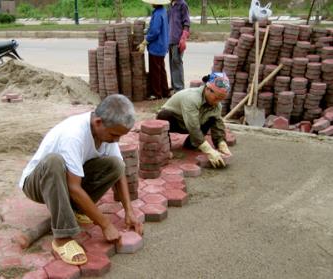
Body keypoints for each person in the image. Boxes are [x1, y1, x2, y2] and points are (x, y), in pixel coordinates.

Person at [18, 94, 143, 266]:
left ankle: (75, 210)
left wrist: (129, 211)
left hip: (65, 181)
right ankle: (62, 237)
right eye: (114, 135)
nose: (117, 140)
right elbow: (74, 188)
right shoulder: (74, 135)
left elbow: (119, 172)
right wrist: (105, 224)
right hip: (38, 184)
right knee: (54, 161)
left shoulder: (105, 130)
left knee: (115, 165)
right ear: (98, 122)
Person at [156, 72, 232, 168]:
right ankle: (165, 147)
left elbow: (217, 124)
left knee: (212, 119)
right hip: (175, 121)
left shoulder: (217, 104)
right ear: (208, 89)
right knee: (163, 115)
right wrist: (209, 150)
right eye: (216, 97)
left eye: (221, 99)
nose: (218, 102)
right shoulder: (192, 98)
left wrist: (221, 143)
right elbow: (193, 127)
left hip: (192, 124)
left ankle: (191, 143)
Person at [137, 0, 170, 99]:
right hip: (163, 45)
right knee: (161, 69)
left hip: (156, 46)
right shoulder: (163, 11)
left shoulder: (157, 14)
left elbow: (155, 31)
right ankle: (165, 91)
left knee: (155, 71)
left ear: (156, 3)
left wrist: (145, 41)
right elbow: (156, 28)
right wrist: (147, 30)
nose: (151, 4)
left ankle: (156, 94)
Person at [168, 0, 190, 92]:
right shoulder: (170, 5)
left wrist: (183, 38)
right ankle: (174, 86)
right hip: (170, 39)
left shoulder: (182, 4)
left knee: (177, 62)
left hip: (178, 40)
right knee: (172, 63)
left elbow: (187, 23)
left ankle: (179, 88)